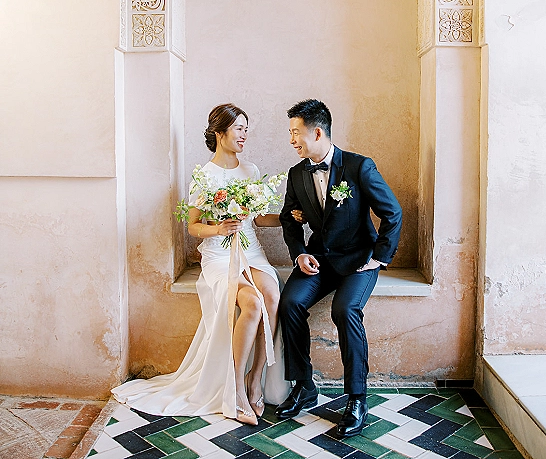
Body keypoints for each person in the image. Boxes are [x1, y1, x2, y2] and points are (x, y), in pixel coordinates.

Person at [112, 103, 300, 425]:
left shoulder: (251, 171)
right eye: (239, 128)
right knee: (251, 303)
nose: (244, 134)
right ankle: (236, 388)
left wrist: (289, 217)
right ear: (220, 133)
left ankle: (256, 379)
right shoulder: (204, 176)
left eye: (245, 128)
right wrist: (219, 228)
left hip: (250, 249)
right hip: (218, 253)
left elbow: (258, 218)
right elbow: (193, 226)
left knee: (271, 295)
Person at [276, 99, 402, 437]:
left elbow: (393, 212)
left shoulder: (360, 167)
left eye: (295, 133)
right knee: (289, 303)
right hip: (318, 259)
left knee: (345, 311)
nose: (291, 140)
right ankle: (304, 386)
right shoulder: (297, 173)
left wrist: (379, 257)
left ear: (317, 132)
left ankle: (357, 398)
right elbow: (289, 219)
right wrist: (299, 252)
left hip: (359, 262)